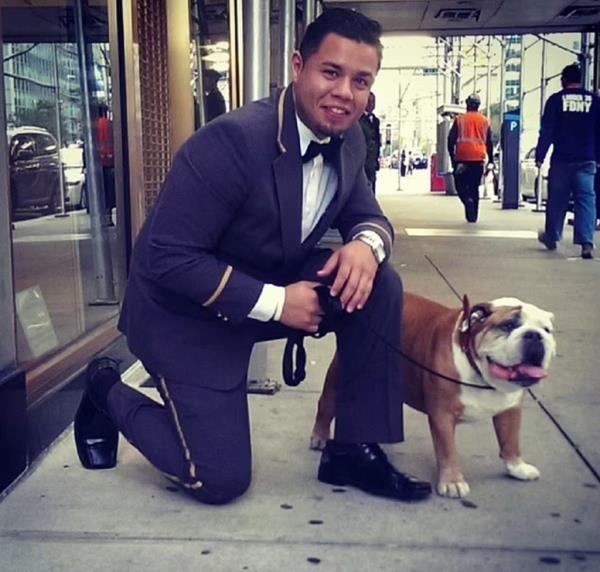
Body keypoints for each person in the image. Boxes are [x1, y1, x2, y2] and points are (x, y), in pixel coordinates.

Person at [74, 8, 432, 505]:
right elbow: (167, 259)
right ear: (297, 65)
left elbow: (369, 216)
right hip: (184, 315)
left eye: (361, 80)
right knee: (218, 480)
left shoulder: (348, 139)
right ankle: (105, 390)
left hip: (266, 290)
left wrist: (365, 247)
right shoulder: (232, 141)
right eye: (331, 72)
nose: (345, 92)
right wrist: (277, 303)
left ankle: (351, 449)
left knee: (379, 283)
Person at [536, 64, 600, 259]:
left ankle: (552, 236)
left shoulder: (555, 100)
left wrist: (540, 156)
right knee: (586, 200)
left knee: (557, 200)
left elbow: (547, 131)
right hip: (587, 160)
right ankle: (587, 242)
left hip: (562, 160)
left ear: (564, 80)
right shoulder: (595, 101)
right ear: (581, 79)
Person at [447, 93, 494, 222]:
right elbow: (489, 142)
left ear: (467, 105)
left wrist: (453, 157)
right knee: (474, 187)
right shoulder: (485, 121)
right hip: (478, 158)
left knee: (460, 184)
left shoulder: (459, 120)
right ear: (478, 106)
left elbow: (451, 140)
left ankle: (467, 201)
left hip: (462, 159)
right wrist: (491, 160)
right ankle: (472, 217)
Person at [96, 103, 115, 226]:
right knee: (109, 191)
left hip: (97, 162)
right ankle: (108, 217)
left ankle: (100, 217)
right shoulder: (109, 124)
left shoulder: (94, 125)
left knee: (99, 191)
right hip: (110, 162)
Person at [358, 92, 381, 192]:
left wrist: (376, 159)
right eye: (370, 101)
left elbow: (377, 141)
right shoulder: (357, 119)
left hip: (372, 162)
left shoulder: (376, 121)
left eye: (373, 102)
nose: (372, 104)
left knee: (372, 187)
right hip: (360, 162)